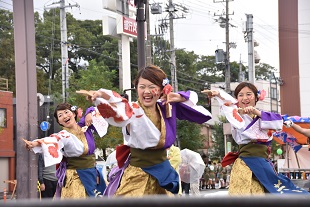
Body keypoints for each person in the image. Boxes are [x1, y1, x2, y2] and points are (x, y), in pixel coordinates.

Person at [88, 64, 212, 196]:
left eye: (152, 87)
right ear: (136, 88)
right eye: (142, 87)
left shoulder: (166, 107)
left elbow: (195, 102)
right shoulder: (132, 109)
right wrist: (100, 95)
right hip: (137, 173)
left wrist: (179, 97)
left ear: (161, 90)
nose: (146, 91)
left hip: (163, 172)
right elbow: (116, 104)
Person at [205, 82, 309, 195]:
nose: (245, 98)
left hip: (262, 163)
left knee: (273, 193)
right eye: (240, 95)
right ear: (237, 99)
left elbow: (278, 121)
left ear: (256, 98)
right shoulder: (236, 115)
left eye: (249, 94)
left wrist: (255, 112)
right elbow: (228, 103)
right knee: (243, 195)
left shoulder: (264, 117)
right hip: (245, 163)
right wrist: (218, 94)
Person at [24, 103, 107, 199]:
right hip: (76, 176)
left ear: (74, 114)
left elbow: (97, 109)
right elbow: (53, 139)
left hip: (92, 173)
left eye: (66, 112)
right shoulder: (63, 134)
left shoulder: (84, 125)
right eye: (60, 115)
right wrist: (35, 144)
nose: (64, 116)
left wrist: (89, 114)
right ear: (59, 122)